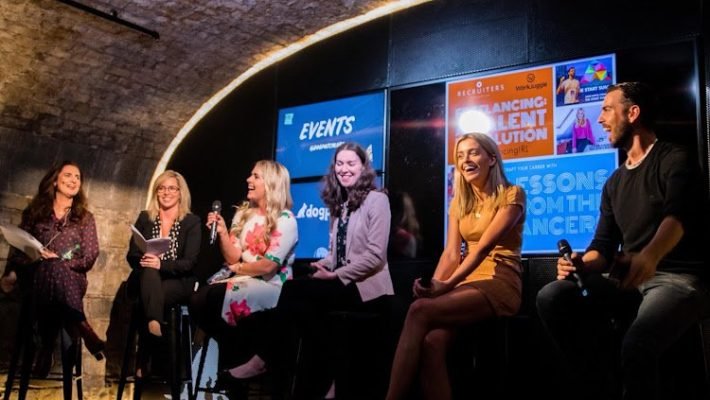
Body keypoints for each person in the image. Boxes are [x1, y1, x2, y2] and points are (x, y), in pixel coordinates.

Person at [536, 82, 710, 400]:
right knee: (552, 296)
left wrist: (649, 256)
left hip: (676, 280)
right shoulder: (614, 182)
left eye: (606, 109)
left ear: (633, 113)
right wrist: (579, 263)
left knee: (637, 344)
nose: (600, 119)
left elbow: (677, 218)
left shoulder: (674, 158)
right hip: (629, 283)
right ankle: (602, 384)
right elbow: (602, 248)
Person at [225, 142, 394, 399]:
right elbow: (336, 254)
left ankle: (263, 360)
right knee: (301, 306)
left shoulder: (377, 200)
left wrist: (336, 274)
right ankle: (324, 381)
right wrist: (324, 264)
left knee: (294, 290)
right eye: (340, 164)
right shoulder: (340, 205)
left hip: (367, 288)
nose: (344, 169)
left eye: (351, 163)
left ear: (363, 167)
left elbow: (375, 255)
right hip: (341, 284)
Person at [386, 132, 526, 400]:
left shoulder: (512, 194)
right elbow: (451, 254)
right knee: (432, 342)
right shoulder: (459, 203)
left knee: (418, 311)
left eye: (473, 152)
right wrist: (432, 287)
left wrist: (447, 285)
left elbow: (483, 248)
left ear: (491, 159)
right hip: (466, 281)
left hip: (500, 281)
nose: (465, 160)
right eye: (460, 156)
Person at [189, 160, 298, 371]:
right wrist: (222, 232)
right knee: (197, 299)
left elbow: (268, 266)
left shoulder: (285, 219)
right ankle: (230, 358)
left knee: (215, 297)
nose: (248, 180)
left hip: (271, 285)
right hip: (243, 279)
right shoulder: (244, 213)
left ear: (271, 183)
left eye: (256, 176)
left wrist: (239, 268)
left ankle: (237, 362)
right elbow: (233, 257)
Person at [0, 161, 103, 376]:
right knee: (49, 268)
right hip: (36, 277)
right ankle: (81, 326)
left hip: (72, 280)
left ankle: (46, 346)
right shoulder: (35, 213)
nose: (73, 180)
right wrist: (13, 272)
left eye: (77, 177)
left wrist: (62, 262)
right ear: (55, 181)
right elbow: (18, 246)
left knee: (56, 267)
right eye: (68, 175)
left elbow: (90, 256)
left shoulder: (85, 218)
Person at [126, 170, 201, 340]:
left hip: (178, 280)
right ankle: (155, 326)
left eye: (172, 188)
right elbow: (132, 255)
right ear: (156, 192)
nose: (166, 193)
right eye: (161, 188)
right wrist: (146, 260)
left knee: (154, 294)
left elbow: (189, 262)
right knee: (150, 274)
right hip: (146, 275)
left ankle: (150, 340)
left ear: (180, 193)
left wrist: (161, 264)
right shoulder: (145, 218)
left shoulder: (191, 222)